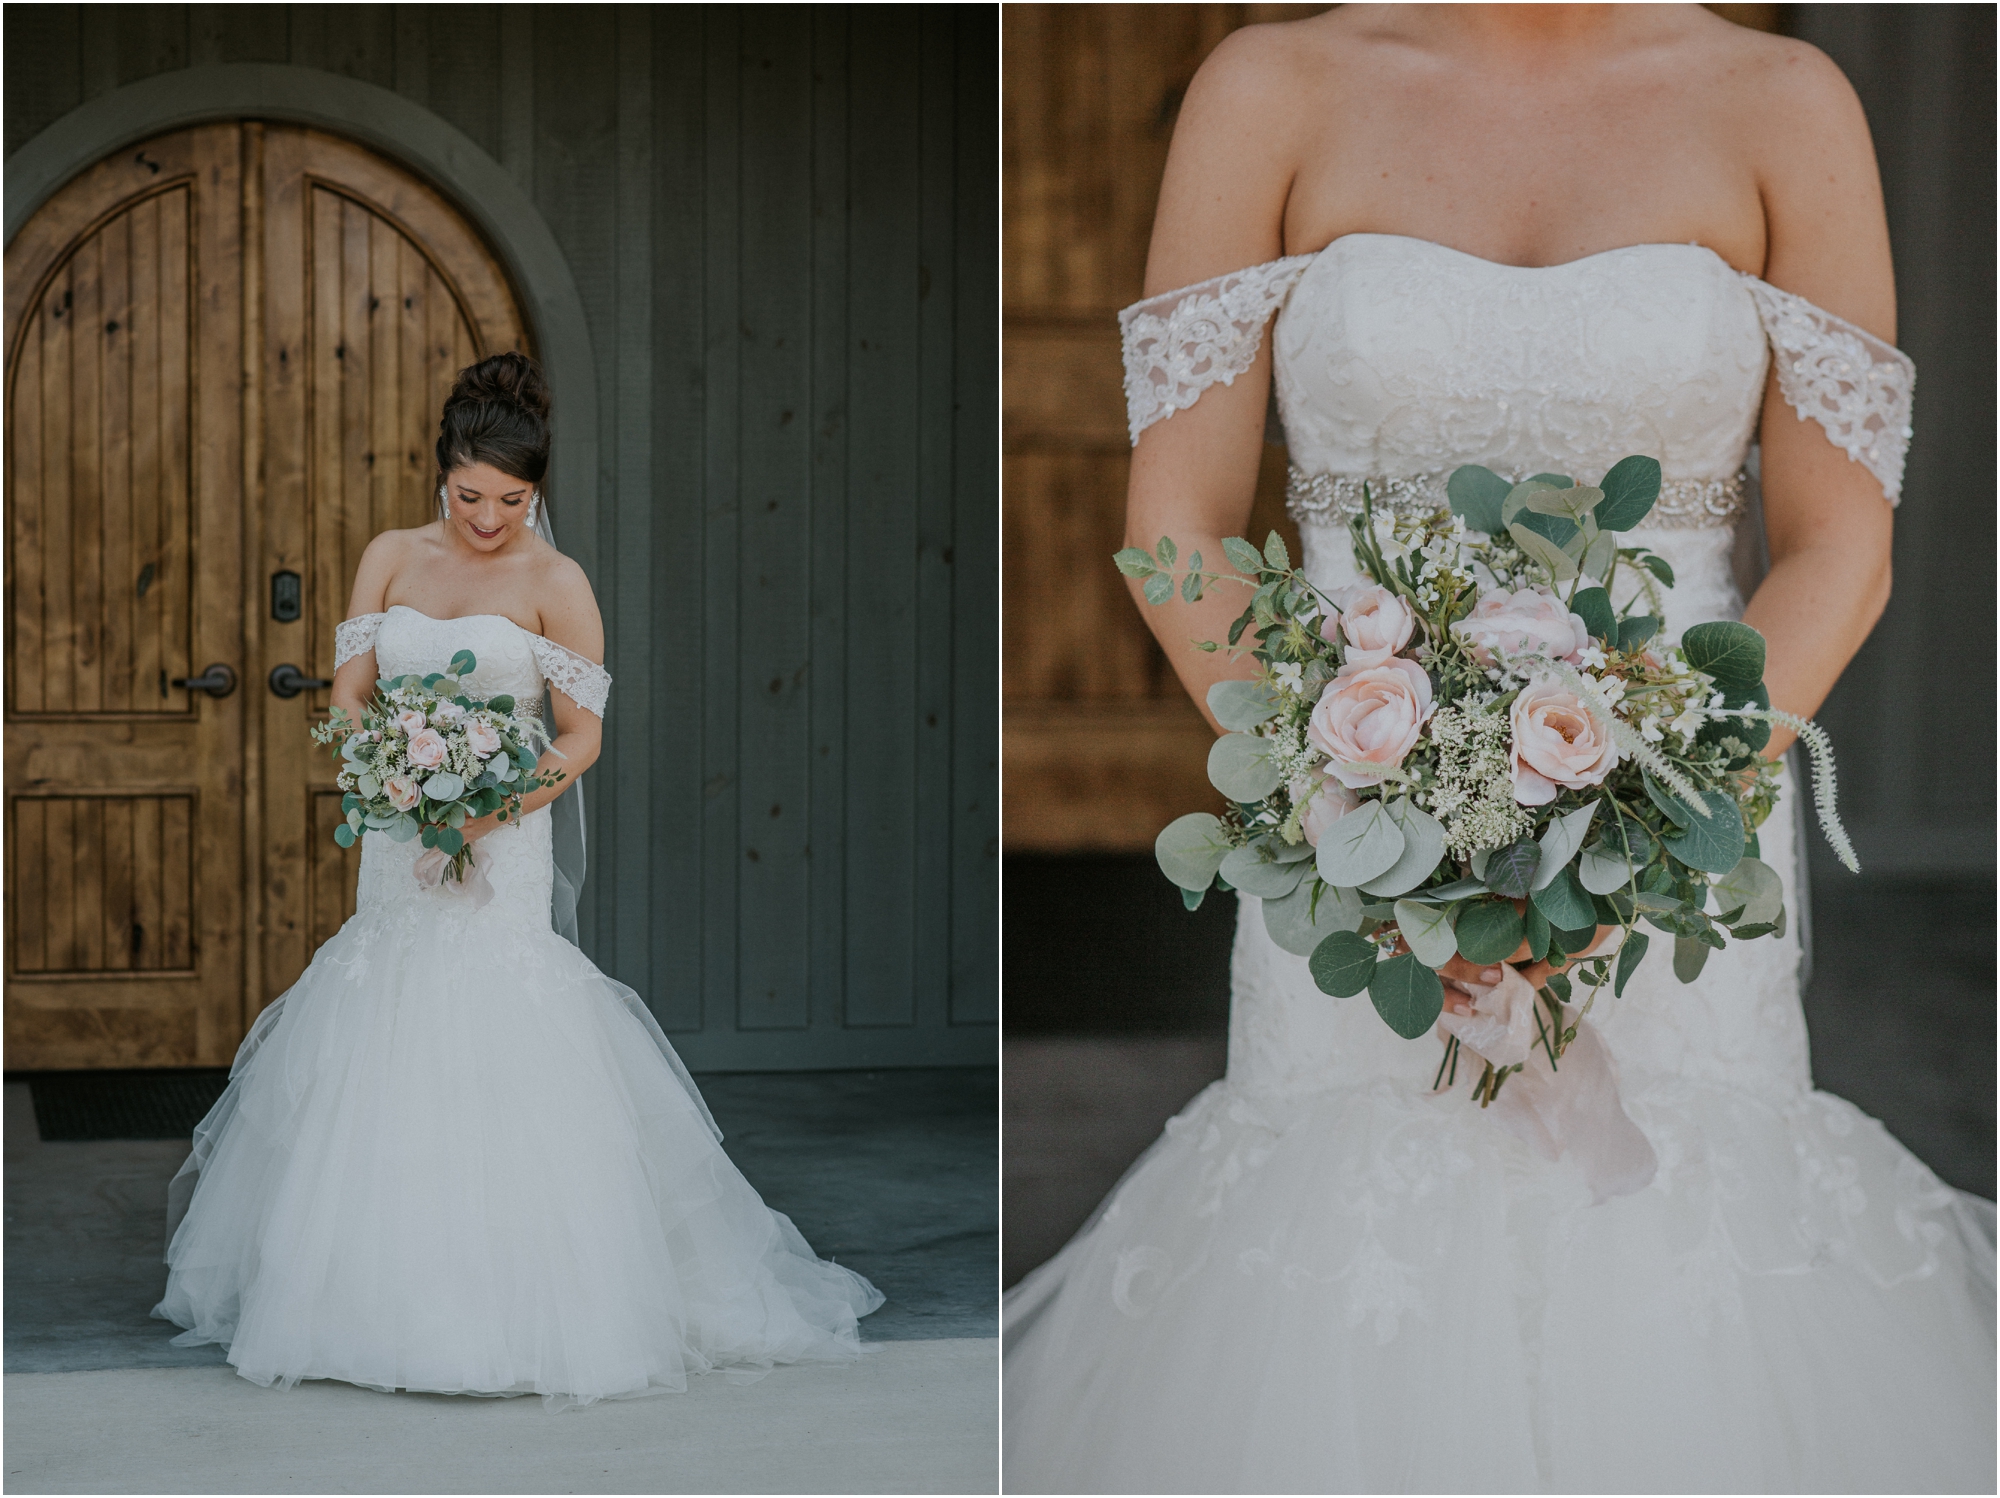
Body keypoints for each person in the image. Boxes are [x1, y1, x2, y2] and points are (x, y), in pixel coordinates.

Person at [1002, 7, 1994, 1491]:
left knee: (1673, 1236)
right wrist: (1349, 800)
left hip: (1687, 808)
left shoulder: (1787, 103)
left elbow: (1844, 545)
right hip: (1348, 806)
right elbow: (1180, 526)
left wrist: (1648, 820)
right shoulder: (1269, 88)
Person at [154, 353, 882, 1407]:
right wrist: (397, 772)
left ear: (533, 489)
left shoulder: (557, 584)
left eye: (510, 499)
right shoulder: (389, 557)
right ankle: (365, 1298)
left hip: (504, 832)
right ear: (440, 473)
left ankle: (521, 1304)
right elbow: (350, 694)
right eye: (468, 495)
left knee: (497, 1023)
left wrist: (486, 807)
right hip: (402, 833)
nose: (487, 518)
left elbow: (580, 736)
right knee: (385, 1018)